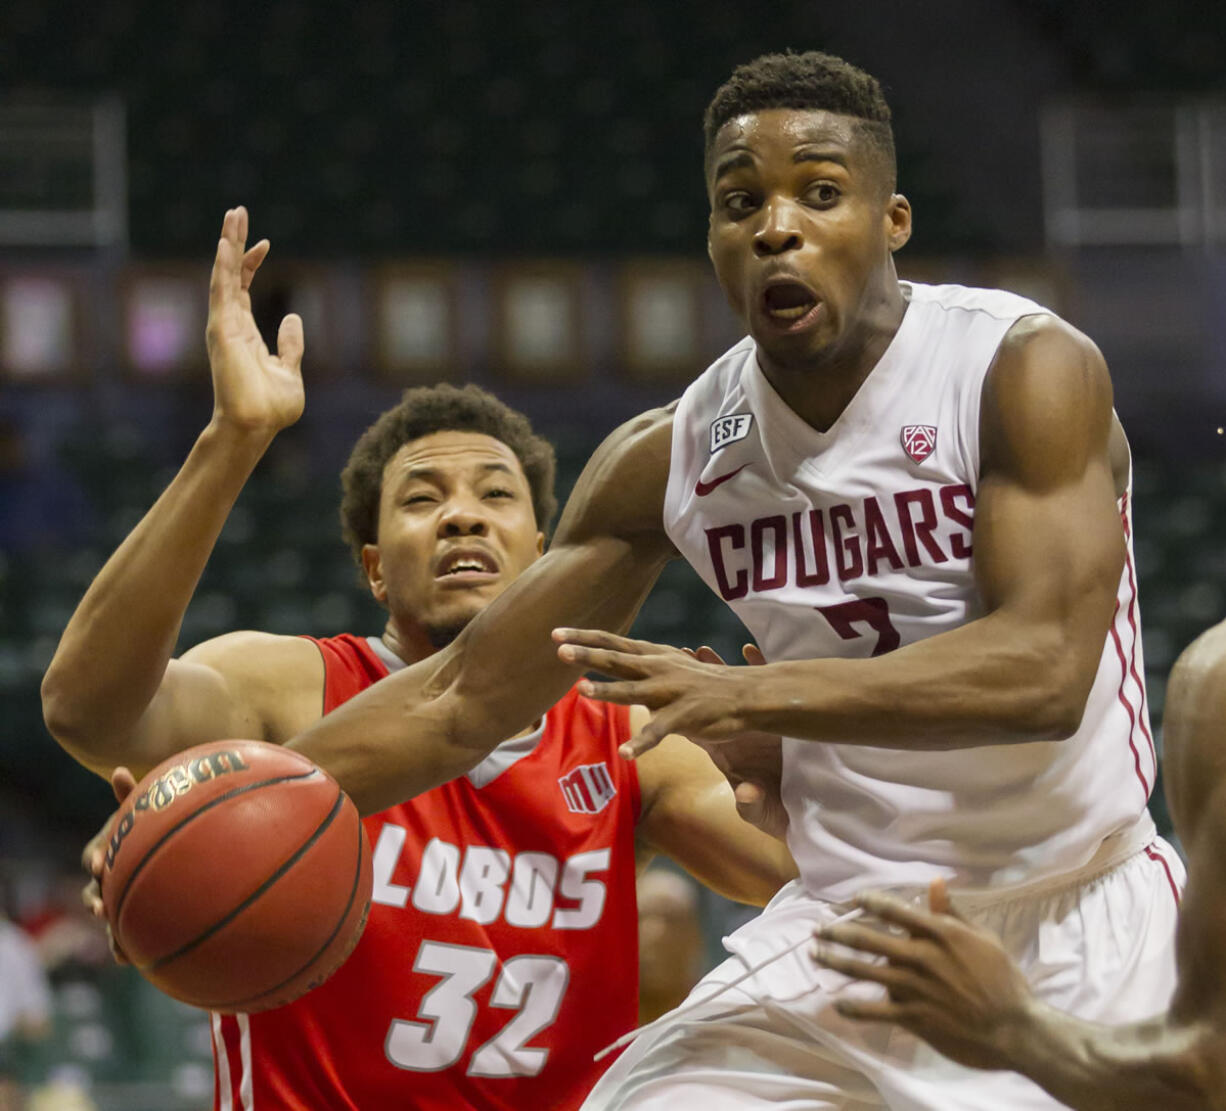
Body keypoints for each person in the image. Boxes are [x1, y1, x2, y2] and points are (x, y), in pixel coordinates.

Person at [153, 49, 1186, 1109]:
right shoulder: (676, 452)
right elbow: (465, 695)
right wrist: (221, 815)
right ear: (711, 237)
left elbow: (1043, 670)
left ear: (892, 221)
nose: (774, 227)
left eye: (818, 194)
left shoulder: (1017, 366)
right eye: (740, 203)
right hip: (850, 920)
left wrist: (750, 696)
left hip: (1078, 908)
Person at [43, 208, 796, 1110]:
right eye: (422, 498)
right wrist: (233, 438)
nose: (463, 515)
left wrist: (785, 793)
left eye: (494, 495)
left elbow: (807, 881)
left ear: (546, 556)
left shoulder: (626, 732)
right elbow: (88, 711)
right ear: (373, 567)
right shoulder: (290, 688)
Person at [809, 618, 1226, 1109]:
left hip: (1101, 923)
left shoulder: (1215, 684)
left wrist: (1011, 1025)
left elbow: (1206, 1077)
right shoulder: (1211, 682)